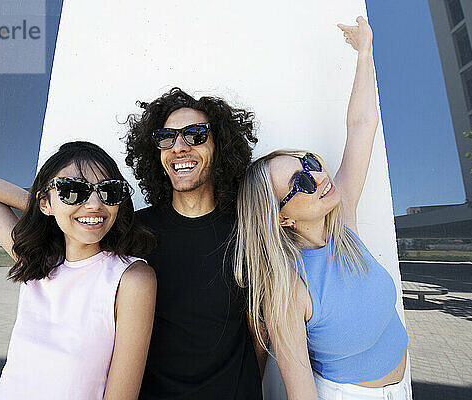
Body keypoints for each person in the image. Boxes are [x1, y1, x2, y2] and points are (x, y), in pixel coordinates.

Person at [233, 17, 410, 400]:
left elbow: (363, 125)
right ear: (281, 217)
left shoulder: (343, 222)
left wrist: (365, 52)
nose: (317, 176)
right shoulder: (289, 289)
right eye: (299, 182)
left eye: (309, 164)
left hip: (402, 386)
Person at [0, 141, 157, 400]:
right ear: (44, 203)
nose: (95, 204)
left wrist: (65, 207)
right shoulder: (38, 263)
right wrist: (53, 208)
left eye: (108, 192)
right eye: (73, 190)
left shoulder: (130, 278)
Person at [124, 88, 264, 399]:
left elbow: (260, 332)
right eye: (167, 137)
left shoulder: (249, 229)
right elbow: (70, 220)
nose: (179, 147)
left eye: (196, 135)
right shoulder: (135, 230)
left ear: (220, 146)